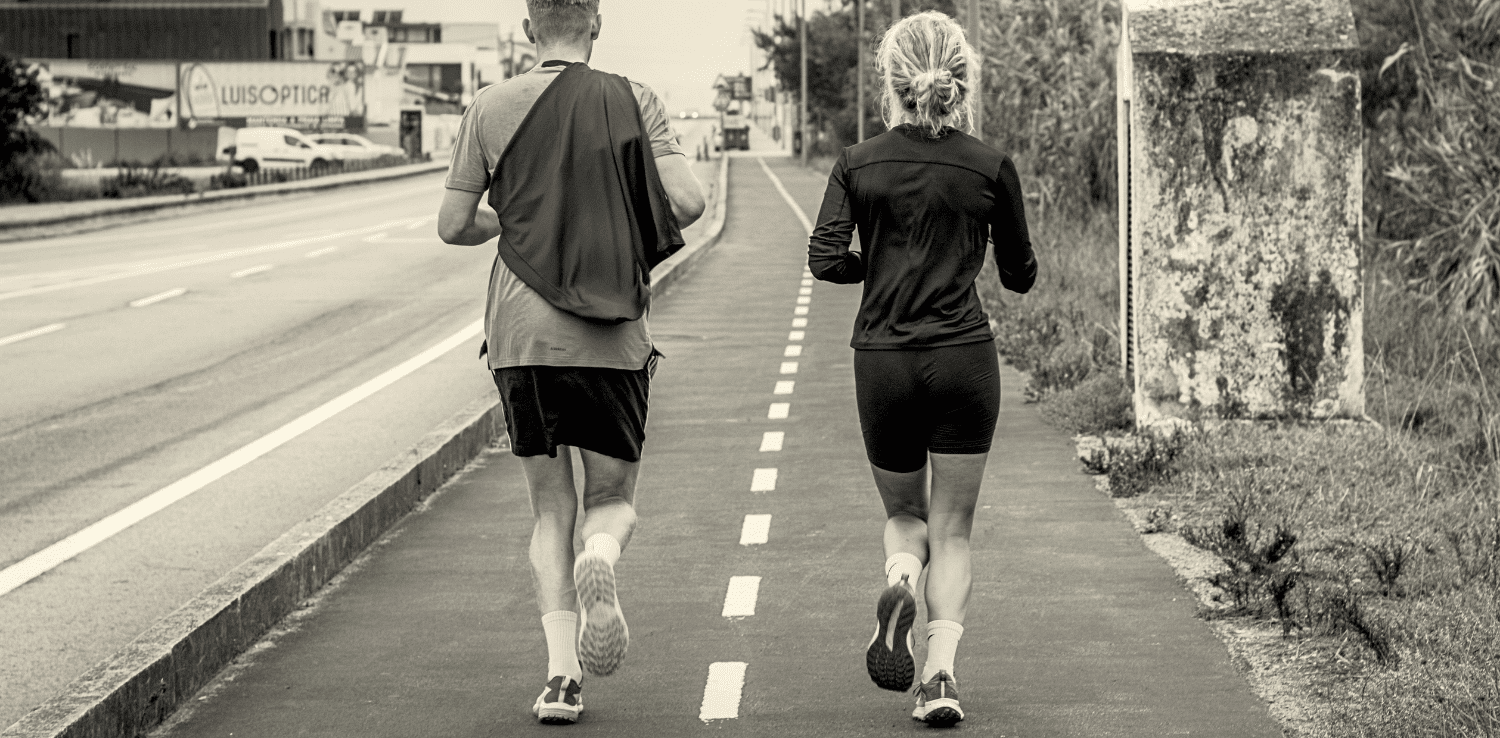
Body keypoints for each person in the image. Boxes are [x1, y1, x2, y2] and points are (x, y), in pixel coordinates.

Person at [437, 0, 706, 726]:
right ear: (595, 23)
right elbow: (689, 200)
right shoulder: (632, 98)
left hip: (521, 336)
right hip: (611, 334)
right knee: (610, 502)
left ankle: (560, 680)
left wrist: (520, 218)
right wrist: (612, 217)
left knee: (548, 507)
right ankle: (603, 559)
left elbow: (454, 224)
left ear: (529, 30)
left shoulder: (489, 106)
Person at [807, 10, 1037, 728]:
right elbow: (1021, 275)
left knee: (906, 517)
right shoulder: (990, 164)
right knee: (956, 527)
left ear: (892, 80)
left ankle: (902, 576)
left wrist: (876, 267)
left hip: (883, 362)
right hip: (963, 358)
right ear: (959, 81)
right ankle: (939, 676)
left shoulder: (857, 162)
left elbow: (823, 257)